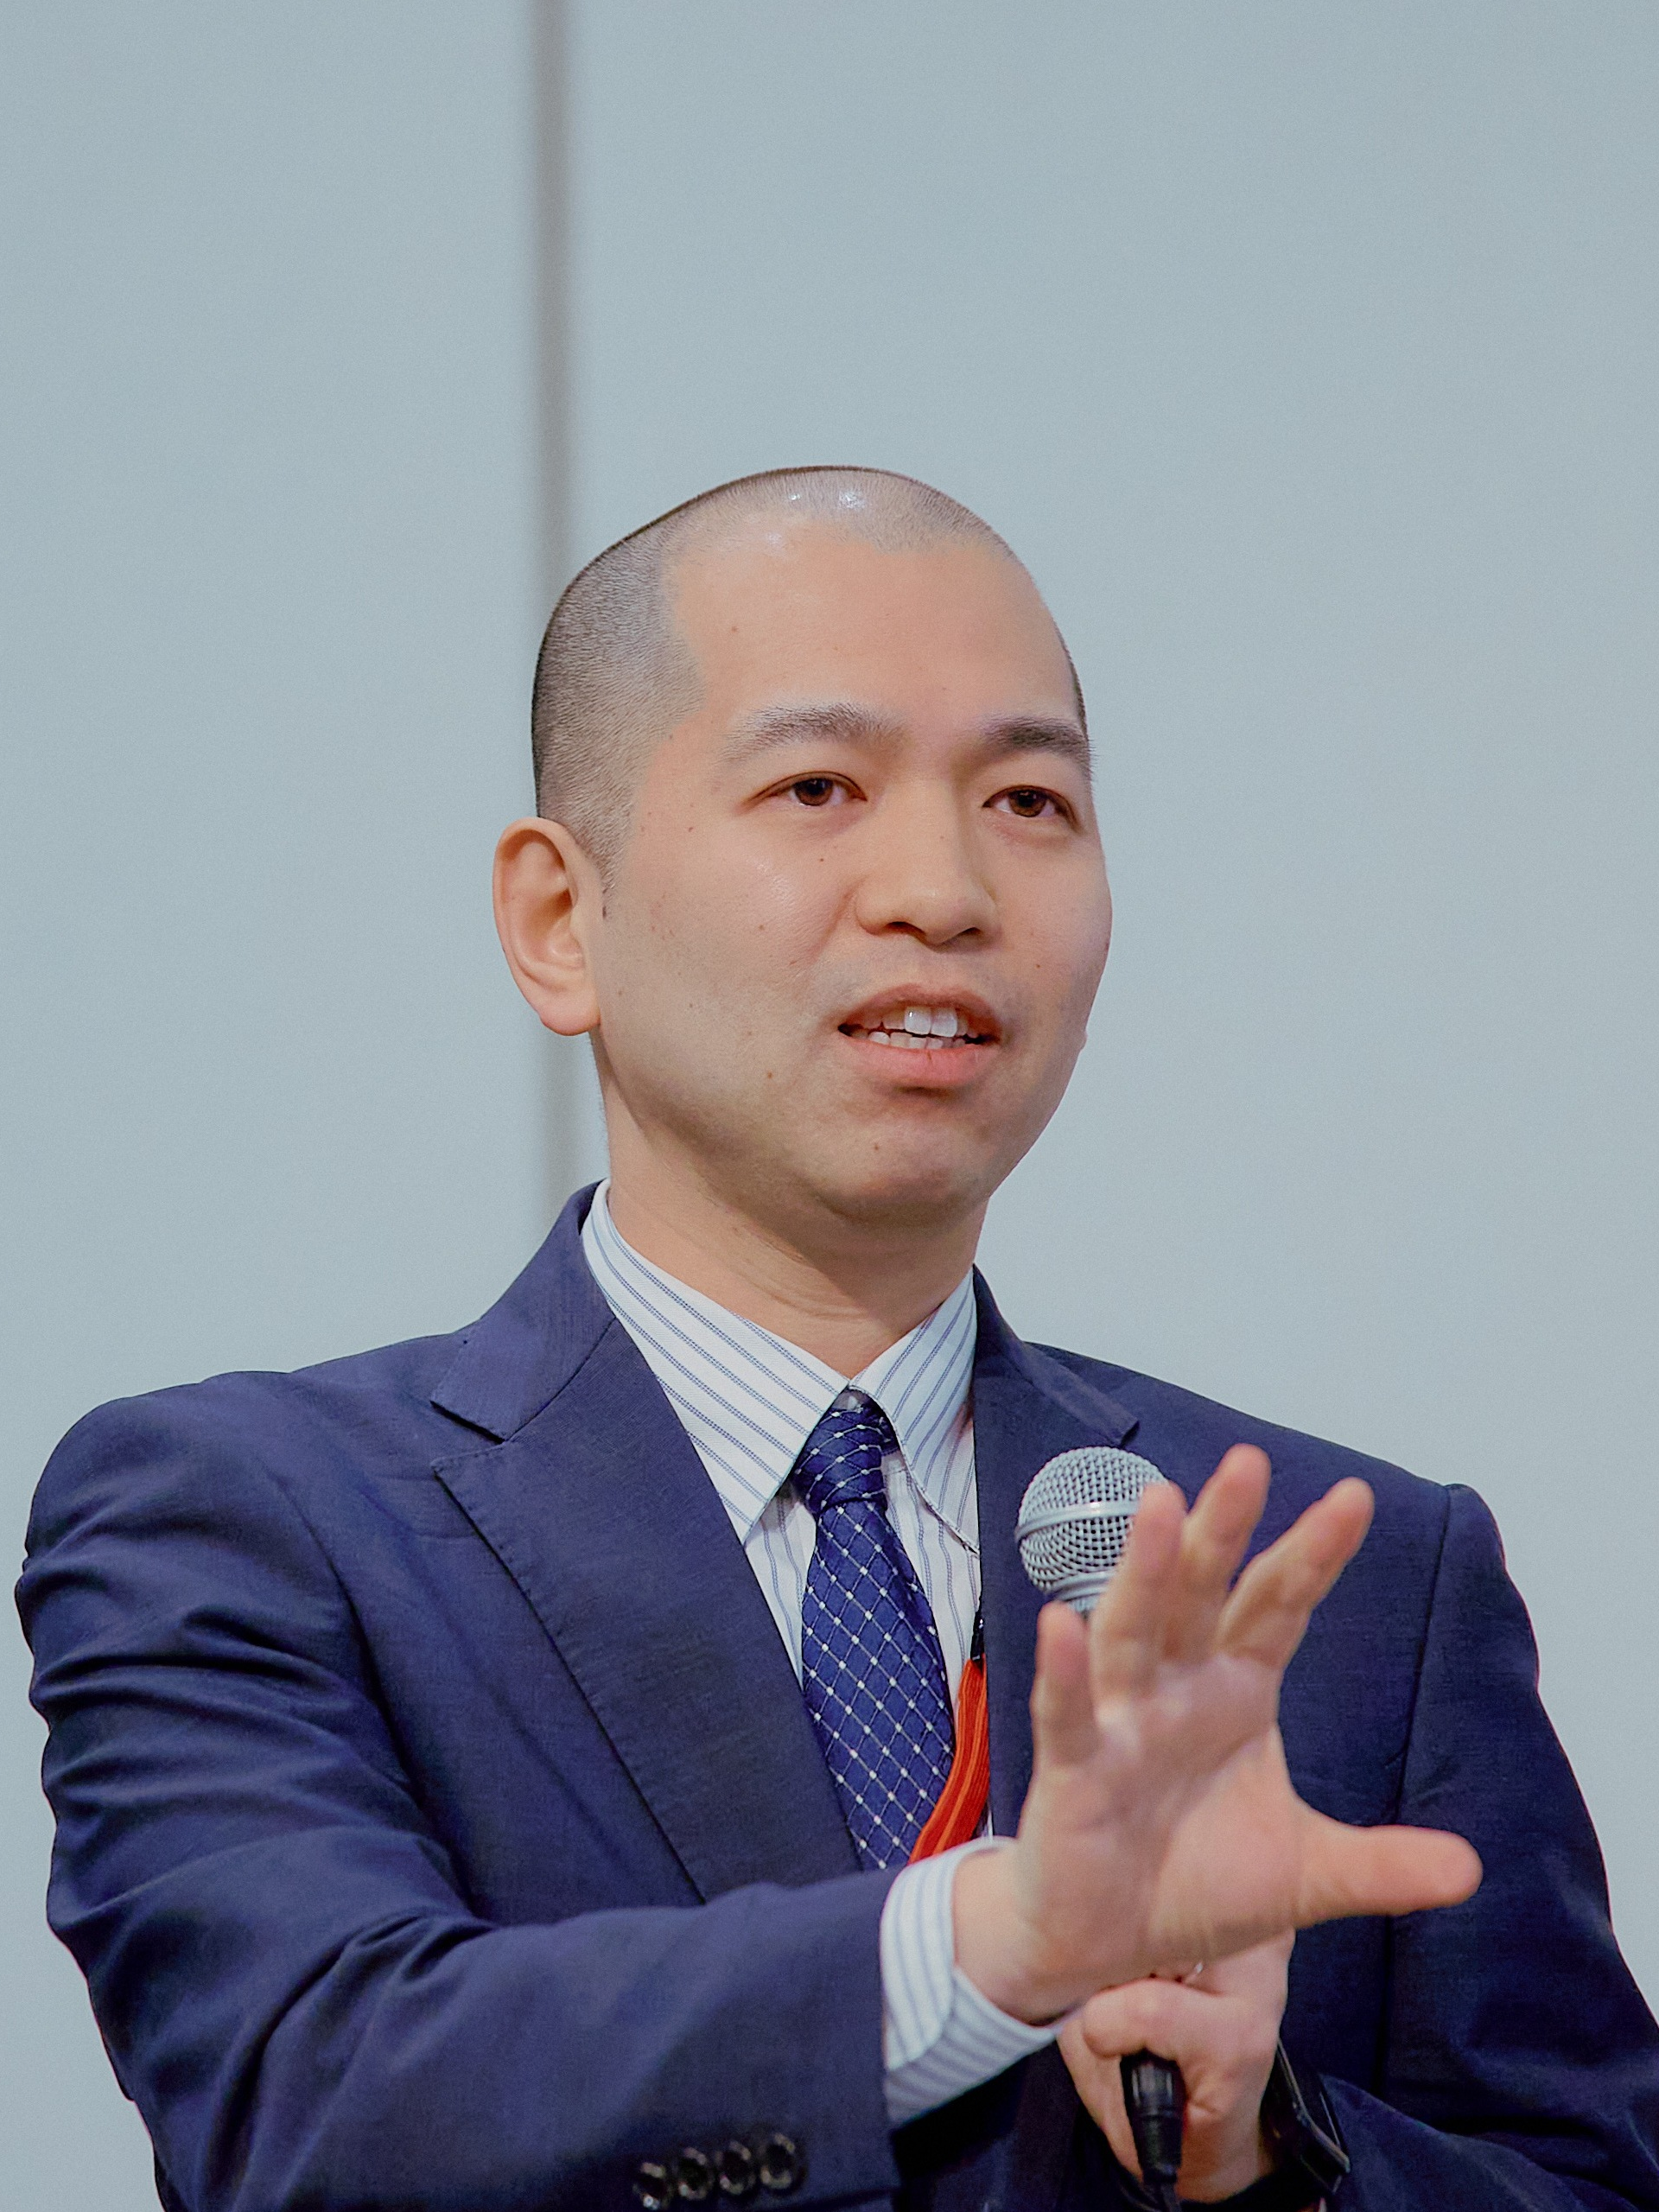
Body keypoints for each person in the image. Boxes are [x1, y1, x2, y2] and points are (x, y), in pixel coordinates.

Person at [18, 468, 1659, 2212]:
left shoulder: (1350, 1578)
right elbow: (308, 2101)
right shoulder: (250, 1519)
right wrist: (993, 1941)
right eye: (819, 787)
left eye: (1029, 799)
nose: (943, 889)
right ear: (561, 921)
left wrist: (1263, 2148)